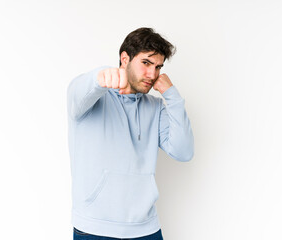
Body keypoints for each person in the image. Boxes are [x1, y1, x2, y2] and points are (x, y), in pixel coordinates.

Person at [67, 27, 194, 240]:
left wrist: (172, 96)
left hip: (147, 229)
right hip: (95, 228)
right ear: (124, 59)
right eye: (146, 63)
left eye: (158, 67)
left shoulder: (156, 107)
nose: (152, 74)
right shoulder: (93, 97)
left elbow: (184, 152)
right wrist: (100, 77)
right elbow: (77, 94)